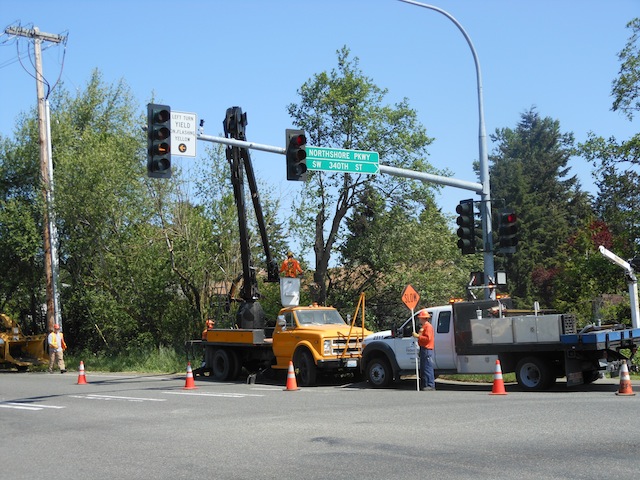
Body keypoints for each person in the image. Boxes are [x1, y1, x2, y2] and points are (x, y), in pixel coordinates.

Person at [413, 309, 435, 391]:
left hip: (427, 348)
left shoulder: (428, 327)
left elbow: (427, 339)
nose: (419, 319)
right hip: (423, 348)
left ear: (423, 318)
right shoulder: (424, 327)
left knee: (427, 367)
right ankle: (425, 384)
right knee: (424, 367)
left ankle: (430, 384)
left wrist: (418, 336)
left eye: (420, 318)